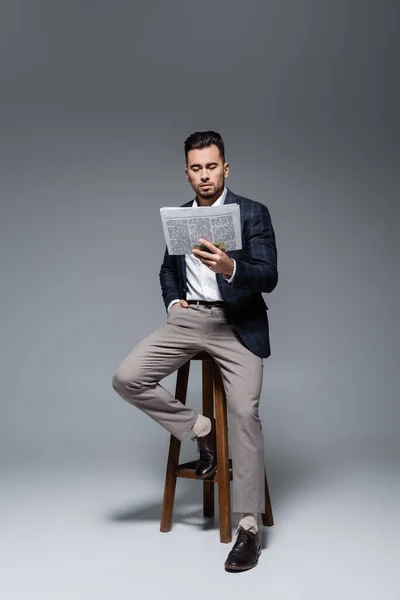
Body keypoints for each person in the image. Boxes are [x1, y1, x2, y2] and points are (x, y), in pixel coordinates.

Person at [112, 130, 278, 572]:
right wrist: (172, 300)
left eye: (211, 166)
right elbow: (168, 268)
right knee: (127, 377)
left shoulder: (252, 212)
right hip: (188, 321)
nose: (205, 175)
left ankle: (247, 526)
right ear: (187, 173)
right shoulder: (180, 217)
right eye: (196, 168)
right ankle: (200, 429)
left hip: (236, 322)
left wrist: (231, 267)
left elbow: (269, 276)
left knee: (245, 411)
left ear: (226, 167)